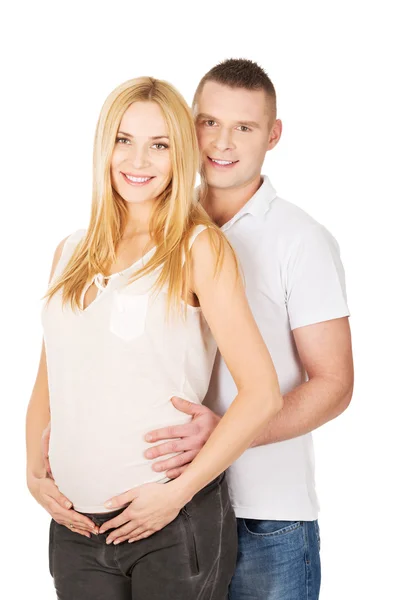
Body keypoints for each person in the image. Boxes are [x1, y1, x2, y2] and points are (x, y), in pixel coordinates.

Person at [26, 76, 283, 600]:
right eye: (124, 140)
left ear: (179, 154)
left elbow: (262, 394)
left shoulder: (198, 248)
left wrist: (176, 495)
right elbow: (48, 383)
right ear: (105, 146)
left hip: (171, 527)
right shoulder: (68, 252)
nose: (138, 160)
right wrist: (34, 473)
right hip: (77, 531)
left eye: (159, 145)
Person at [132, 59, 354, 599]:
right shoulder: (158, 227)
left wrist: (227, 432)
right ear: (189, 124)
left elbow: (334, 383)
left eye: (244, 127)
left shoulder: (301, 239)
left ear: (272, 135)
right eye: (209, 122)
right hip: (166, 506)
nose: (221, 142)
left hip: (267, 517)